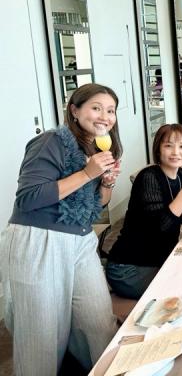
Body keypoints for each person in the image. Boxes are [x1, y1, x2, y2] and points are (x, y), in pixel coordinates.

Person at [0, 83, 122, 373]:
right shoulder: (51, 141)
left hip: (81, 239)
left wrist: (106, 182)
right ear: (74, 111)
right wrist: (87, 173)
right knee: (41, 337)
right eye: (96, 108)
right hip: (39, 241)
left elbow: (98, 205)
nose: (105, 116)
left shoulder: (95, 148)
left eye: (111, 110)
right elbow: (29, 198)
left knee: (98, 323)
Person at [106, 125, 182, 299]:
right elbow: (162, 226)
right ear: (158, 149)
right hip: (129, 269)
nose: (176, 152)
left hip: (158, 260)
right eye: (168, 145)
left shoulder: (181, 175)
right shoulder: (148, 177)